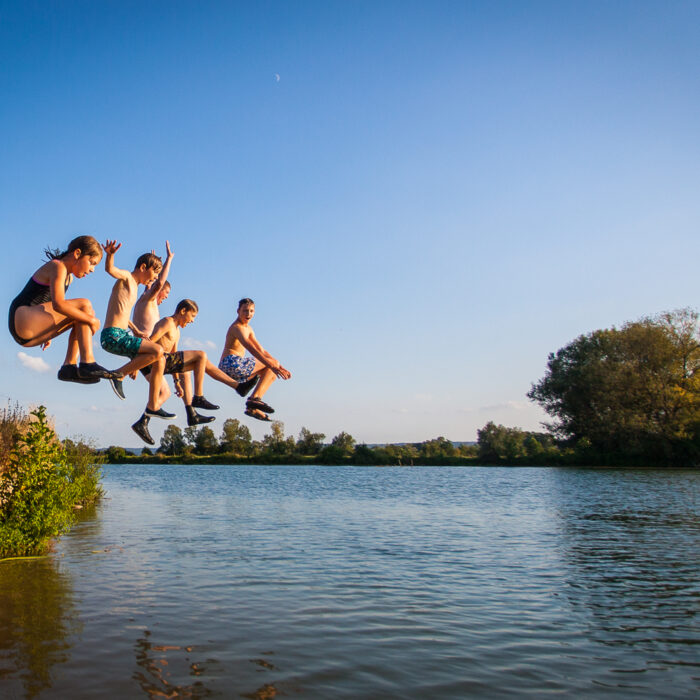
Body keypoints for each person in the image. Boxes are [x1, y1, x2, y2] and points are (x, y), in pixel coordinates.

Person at [8, 235, 120, 383]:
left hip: (28, 333)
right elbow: (58, 305)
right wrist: (91, 321)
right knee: (85, 305)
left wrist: (47, 330)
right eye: (92, 263)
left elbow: (59, 308)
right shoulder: (57, 266)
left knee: (83, 314)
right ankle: (88, 362)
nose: (92, 270)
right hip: (22, 316)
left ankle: (69, 367)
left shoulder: (68, 277)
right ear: (77, 253)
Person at [99, 240, 170, 443]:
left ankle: (151, 404)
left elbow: (122, 312)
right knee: (157, 351)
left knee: (157, 357)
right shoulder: (127, 278)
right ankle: (117, 375)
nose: (155, 277)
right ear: (142, 268)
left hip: (122, 334)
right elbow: (111, 269)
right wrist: (110, 255)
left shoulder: (135, 288)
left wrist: (136, 329)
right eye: (154, 272)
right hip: (114, 335)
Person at [218, 298, 291, 421]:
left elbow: (262, 350)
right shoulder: (237, 328)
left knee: (271, 373)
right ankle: (253, 400)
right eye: (245, 311)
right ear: (238, 311)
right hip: (230, 363)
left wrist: (278, 366)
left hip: (238, 368)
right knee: (270, 365)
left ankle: (253, 406)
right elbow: (252, 349)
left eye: (251, 311)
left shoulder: (249, 329)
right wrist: (272, 364)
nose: (248, 314)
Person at [133, 241, 173, 337]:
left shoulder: (146, 298)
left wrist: (155, 267)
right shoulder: (149, 298)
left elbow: (151, 283)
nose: (167, 296)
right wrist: (169, 259)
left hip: (146, 343)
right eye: (166, 292)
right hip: (145, 343)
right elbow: (159, 283)